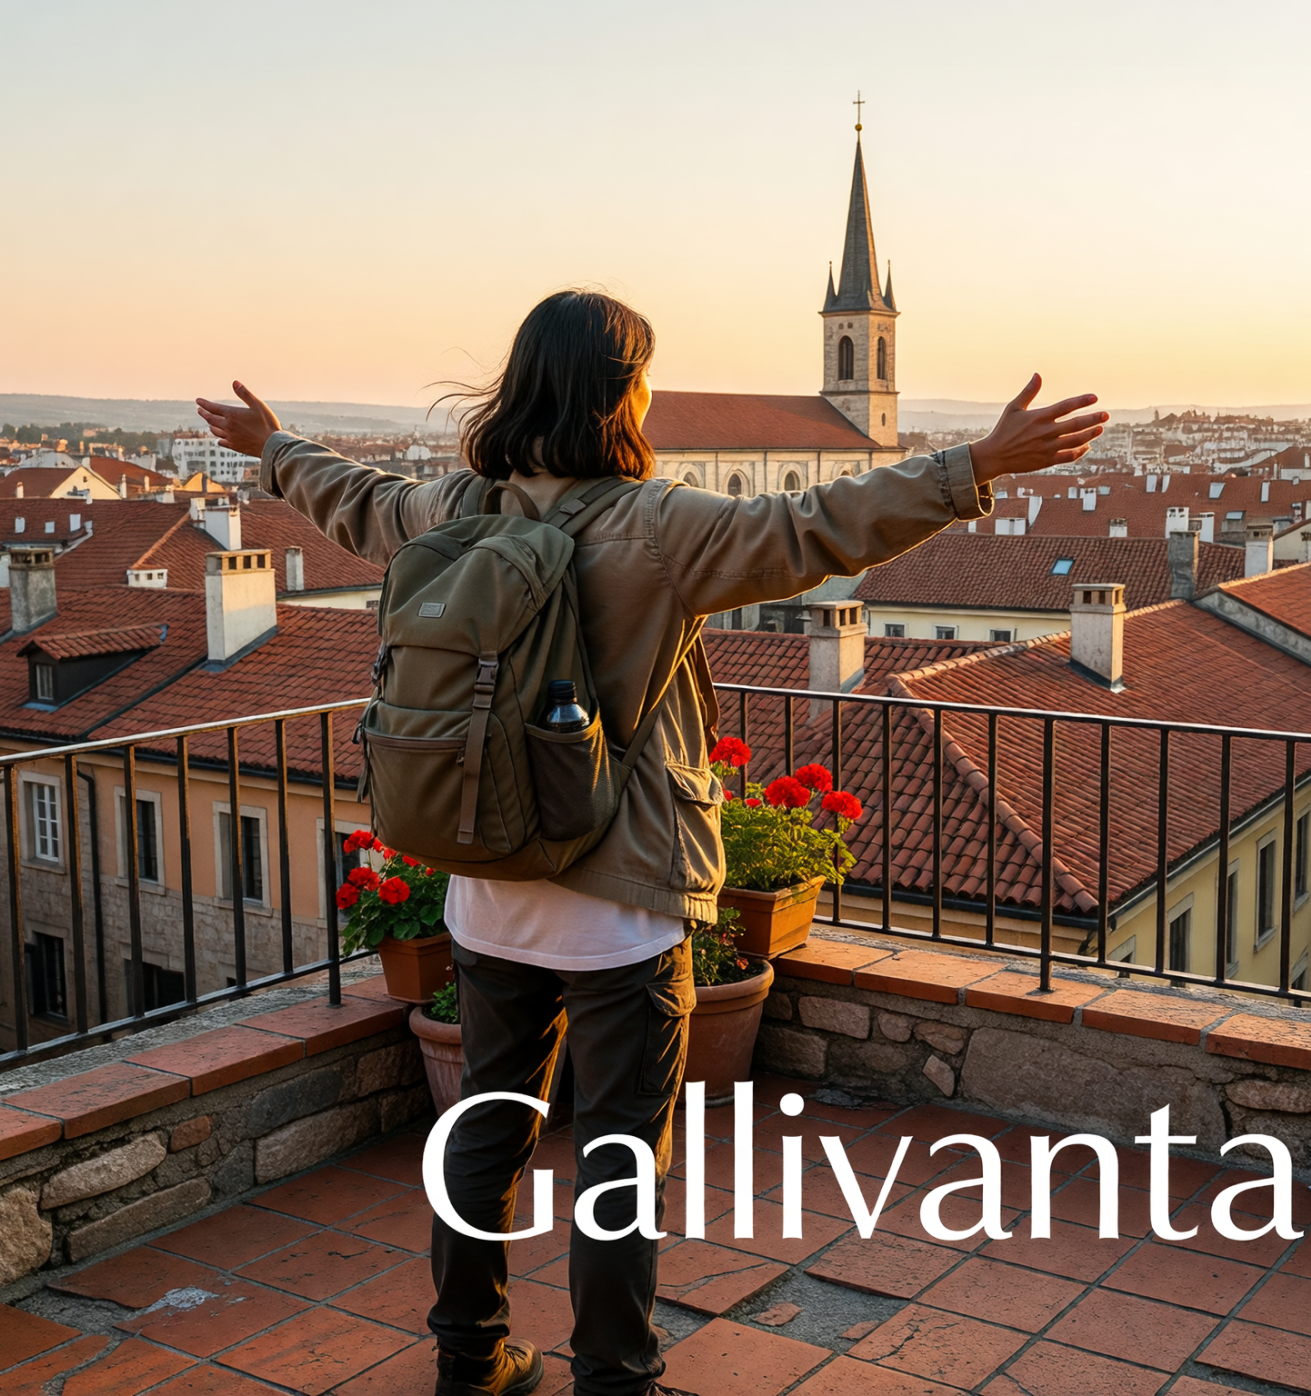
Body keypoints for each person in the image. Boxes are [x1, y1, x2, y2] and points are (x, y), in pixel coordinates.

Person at [195, 289, 1104, 1396]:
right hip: (619, 901)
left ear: (524, 382)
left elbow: (354, 501)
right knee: (620, 1157)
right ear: (621, 394)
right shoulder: (661, 525)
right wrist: (973, 467)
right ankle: (615, 1378)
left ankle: (468, 1360)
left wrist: (271, 445)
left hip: (488, 894)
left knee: (484, 1132)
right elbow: (817, 526)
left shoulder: (451, 508)